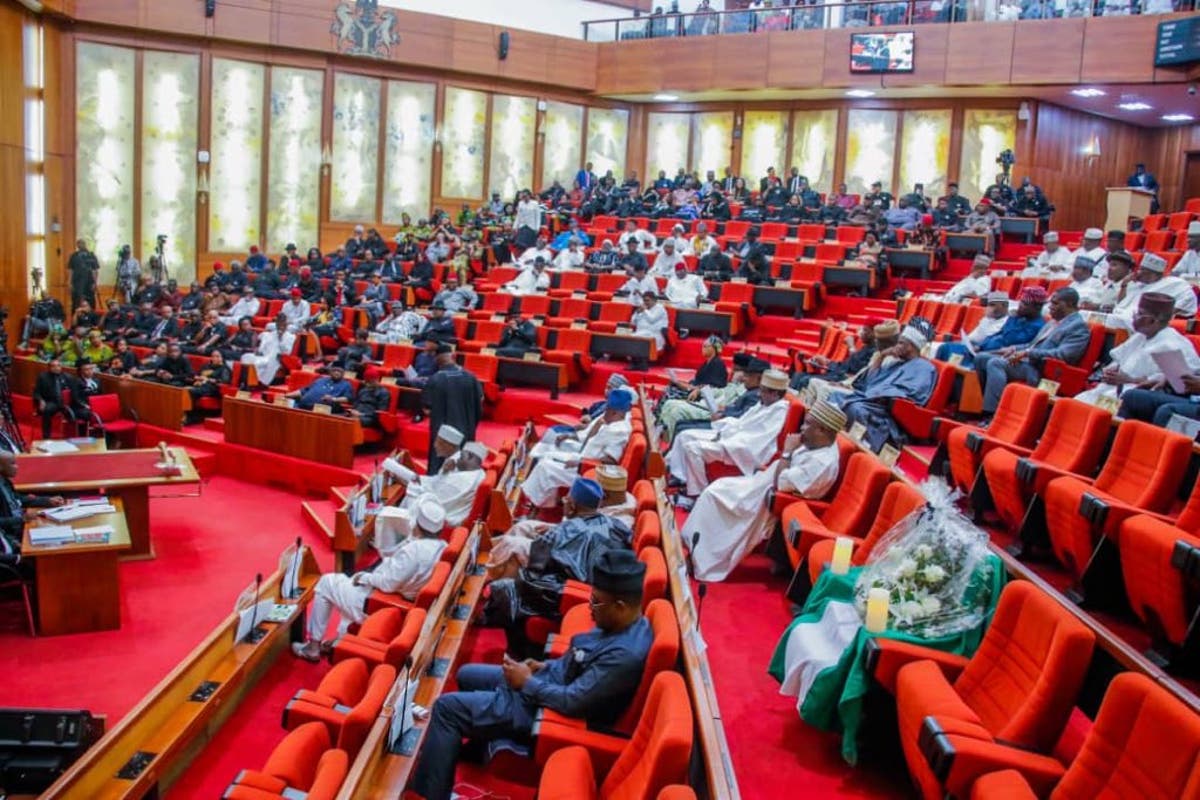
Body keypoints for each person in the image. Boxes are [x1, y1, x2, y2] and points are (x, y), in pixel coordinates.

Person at [411, 547, 649, 800]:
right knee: (468, 674)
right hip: (546, 684)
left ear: (621, 606)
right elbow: (580, 664)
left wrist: (526, 682)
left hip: (545, 709)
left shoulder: (624, 656)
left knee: (447, 709)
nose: (589, 607)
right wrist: (543, 667)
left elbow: (573, 701)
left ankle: (430, 795)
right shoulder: (625, 623)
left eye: (596, 601)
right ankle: (471, 749)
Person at [686, 400, 845, 582]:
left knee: (714, 496)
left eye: (808, 424)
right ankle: (693, 547)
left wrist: (787, 452)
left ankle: (702, 560)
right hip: (761, 484)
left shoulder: (822, 462)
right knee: (716, 489)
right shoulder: (818, 444)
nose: (802, 427)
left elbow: (781, 483)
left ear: (822, 430)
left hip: (769, 498)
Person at [292, 498, 447, 662]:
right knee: (345, 581)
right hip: (402, 598)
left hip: (379, 601)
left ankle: (313, 647)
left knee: (327, 583)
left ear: (417, 525)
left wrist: (365, 577)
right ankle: (338, 640)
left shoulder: (414, 551)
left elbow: (387, 584)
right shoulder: (443, 545)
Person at [488, 465, 635, 580]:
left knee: (513, 545)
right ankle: (492, 558)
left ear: (606, 496)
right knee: (523, 527)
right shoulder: (620, 497)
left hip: (575, 562)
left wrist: (559, 533)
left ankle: (498, 580)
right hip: (573, 540)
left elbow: (588, 547)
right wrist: (560, 529)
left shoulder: (621, 521)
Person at [666, 368, 791, 502]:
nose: (759, 394)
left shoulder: (779, 412)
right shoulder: (765, 404)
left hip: (742, 450)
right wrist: (724, 427)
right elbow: (742, 423)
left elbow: (757, 439)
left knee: (693, 448)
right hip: (732, 438)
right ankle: (681, 477)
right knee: (685, 435)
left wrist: (724, 439)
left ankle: (697, 494)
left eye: (764, 391)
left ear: (775, 393)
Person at [975, 288, 1091, 419]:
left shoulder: (1078, 327)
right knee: (981, 358)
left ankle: (993, 414)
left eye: (1055, 303)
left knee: (995, 363)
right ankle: (981, 404)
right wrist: (1014, 348)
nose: (1050, 307)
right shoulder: (1054, 321)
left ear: (1070, 304)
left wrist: (1028, 353)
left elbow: (1063, 355)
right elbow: (1032, 345)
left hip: (1043, 370)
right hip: (1029, 362)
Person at [1075, 292, 1200, 408]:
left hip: (1134, 398)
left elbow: (1175, 387)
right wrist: (1111, 372)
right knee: (1075, 404)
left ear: (1151, 320)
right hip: (1111, 390)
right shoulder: (1141, 335)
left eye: (1139, 314)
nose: (1134, 317)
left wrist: (1129, 380)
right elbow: (1119, 361)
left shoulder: (1172, 345)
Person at [521, 391, 633, 509]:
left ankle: (531, 505)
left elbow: (611, 460)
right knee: (546, 454)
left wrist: (581, 463)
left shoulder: (618, 431)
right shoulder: (612, 423)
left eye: (606, 410)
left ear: (614, 412)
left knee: (545, 466)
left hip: (585, 469)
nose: (604, 413)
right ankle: (546, 502)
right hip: (582, 459)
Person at [834, 325, 938, 450]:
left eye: (900, 343)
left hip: (887, 411)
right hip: (872, 401)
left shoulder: (924, 367)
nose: (895, 347)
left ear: (910, 346)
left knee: (855, 408)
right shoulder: (896, 363)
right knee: (835, 396)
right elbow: (869, 380)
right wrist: (882, 355)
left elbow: (911, 394)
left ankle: (865, 447)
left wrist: (878, 394)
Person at [0, 451, 66, 574]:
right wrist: (22, 519)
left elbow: (18, 499)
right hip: (13, 535)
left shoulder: (4, 481)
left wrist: (46, 501)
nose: (17, 467)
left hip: (19, 530)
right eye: (12, 464)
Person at [423, 344, 484, 473]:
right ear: (453, 356)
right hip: (467, 431)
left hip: (443, 438)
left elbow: (427, 409)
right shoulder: (471, 377)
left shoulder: (435, 379)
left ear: (437, 360)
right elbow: (480, 400)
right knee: (464, 469)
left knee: (439, 472)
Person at [1111, 252, 1197, 328]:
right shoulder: (1137, 284)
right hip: (1122, 318)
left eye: (1141, 269)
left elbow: (1184, 303)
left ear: (1152, 273)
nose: (1137, 272)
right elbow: (1121, 304)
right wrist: (1124, 285)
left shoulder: (1174, 284)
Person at [793, 320, 881, 392]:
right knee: (798, 375)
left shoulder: (875, 351)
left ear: (874, 333)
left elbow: (855, 368)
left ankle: (799, 409)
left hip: (844, 380)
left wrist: (851, 346)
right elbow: (844, 365)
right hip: (837, 373)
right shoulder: (867, 346)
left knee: (805, 381)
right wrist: (827, 362)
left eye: (865, 330)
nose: (862, 333)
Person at [934, 292, 1013, 365]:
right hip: (970, 347)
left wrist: (977, 346)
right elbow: (973, 336)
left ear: (1004, 306)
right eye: (989, 305)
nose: (989, 308)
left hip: (984, 351)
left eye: (992, 305)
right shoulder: (988, 319)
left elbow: (989, 338)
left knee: (954, 352)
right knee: (944, 347)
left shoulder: (1008, 322)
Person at [33, 359, 76, 439]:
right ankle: (46, 437)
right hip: (51, 402)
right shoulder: (43, 377)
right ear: (49, 368)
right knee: (47, 410)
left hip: (65, 403)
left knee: (74, 411)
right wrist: (41, 400)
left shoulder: (68, 377)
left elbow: (74, 392)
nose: (56, 368)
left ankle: (71, 436)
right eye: (53, 366)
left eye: (58, 366)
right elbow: (36, 393)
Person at [240, 321, 290, 387]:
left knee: (259, 363)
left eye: (283, 326)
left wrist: (281, 339)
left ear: (286, 327)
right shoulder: (269, 335)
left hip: (275, 359)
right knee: (245, 356)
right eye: (279, 326)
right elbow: (260, 345)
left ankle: (255, 383)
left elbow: (287, 352)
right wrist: (258, 350)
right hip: (263, 356)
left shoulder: (290, 337)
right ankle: (244, 380)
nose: (281, 328)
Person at [631, 292, 669, 357]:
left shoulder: (660, 308)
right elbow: (633, 323)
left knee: (637, 339)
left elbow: (652, 320)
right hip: (641, 333)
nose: (645, 302)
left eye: (647, 300)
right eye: (644, 300)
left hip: (654, 336)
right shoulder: (643, 309)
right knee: (628, 338)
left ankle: (640, 361)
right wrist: (637, 313)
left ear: (654, 300)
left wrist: (644, 310)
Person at [68, 239, 100, 313]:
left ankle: (91, 319)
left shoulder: (91, 255)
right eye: (79, 244)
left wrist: (95, 283)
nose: (80, 245)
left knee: (90, 300)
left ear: (85, 244)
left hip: (89, 282)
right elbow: (70, 270)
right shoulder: (74, 256)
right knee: (76, 300)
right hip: (76, 282)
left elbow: (95, 270)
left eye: (82, 243)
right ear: (77, 246)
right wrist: (69, 282)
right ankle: (75, 319)